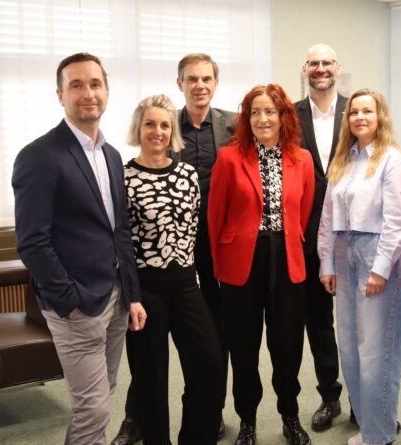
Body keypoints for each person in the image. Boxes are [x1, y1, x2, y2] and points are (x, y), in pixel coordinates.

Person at [12, 52, 147, 445]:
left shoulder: (111, 155)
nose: (88, 93)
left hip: (115, 297)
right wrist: (68, 300)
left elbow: (120, 231)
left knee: (102, 395)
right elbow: (32, 241)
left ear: (107, 91)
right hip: (76, 305)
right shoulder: (39, 156)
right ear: (60, 95)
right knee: (93, 408)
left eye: (95, 84)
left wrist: (132, 295)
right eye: (76, 85)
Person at [112, 52, 236, 445]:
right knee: (150, 375)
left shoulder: (190, 170)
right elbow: (121, 241)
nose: (158, 131)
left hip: (192, 275)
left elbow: (197, 222)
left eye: (164, 125)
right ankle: (146, 430)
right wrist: (131, 294)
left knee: (210, 360)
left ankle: (198, 432)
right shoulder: (123, 176)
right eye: (150, 124)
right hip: (147, 284)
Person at [208, 84, 315, 445]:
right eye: (255, 112)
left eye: (270, 111)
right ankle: (247, 420)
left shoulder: (303, 159)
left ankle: (290, 415)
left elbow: (303, 214)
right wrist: (219, 266)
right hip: (241, 262)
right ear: (246, 118)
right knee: (243, 346)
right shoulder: (229, 158)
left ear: (284, 116)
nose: (262, 118)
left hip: (286, 259)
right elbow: (215, 216)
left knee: (287, 346)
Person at [318, 89, 401, 445]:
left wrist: (381, 270)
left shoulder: (391, 160)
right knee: (350, 350)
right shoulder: (344, 159)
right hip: (344, 253)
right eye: (354, 112)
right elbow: (327, 217)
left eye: (367, 111)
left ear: (379, 116)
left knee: (376, 352)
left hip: (375, 252)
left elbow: (396, 223)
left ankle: (379, 434)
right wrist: (327, 262)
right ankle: (369, 426)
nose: (359, 117)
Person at [294, 42, 346, 432]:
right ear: (305, 69)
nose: (321, 68)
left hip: (354, 231)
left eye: (327, 62)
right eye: (314, 63)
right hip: (307, 235)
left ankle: (367, 401)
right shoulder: (289, 116)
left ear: (337, 67)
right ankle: (330, 396)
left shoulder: (357, 110)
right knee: (319, 323)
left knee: (362, 325)